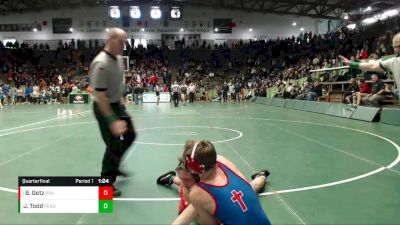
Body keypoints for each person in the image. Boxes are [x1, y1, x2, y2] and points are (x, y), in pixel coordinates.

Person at [89, 28, 136, 197]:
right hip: (104, 108)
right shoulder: (100, 63)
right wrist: (112, 119)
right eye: (121, 41)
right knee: (113, 144)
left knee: (130, 135)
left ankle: (114, 166)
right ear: (111, 40)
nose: (124, 45)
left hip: (116, 104)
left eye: (125, 41)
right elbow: (99, 94)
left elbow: (115, 84)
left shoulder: (117, 59)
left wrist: (121, 101)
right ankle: (105, 183)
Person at [179, 140, 271, 225]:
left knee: (190, 194)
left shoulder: (197, 193)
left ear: (192, 169)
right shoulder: (222, 160)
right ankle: (262, 176)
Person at [157, 159, 270, 224]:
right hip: (193, 201)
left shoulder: (205, 184)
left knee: (255, 185)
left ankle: (262, 176)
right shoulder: (195, 193)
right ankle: (171, 178)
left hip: (202, 194)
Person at [339, 32, 399, 100]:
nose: (395, 50)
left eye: (397, 46)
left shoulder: (393, 61)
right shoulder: (394, 61)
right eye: (395, 47)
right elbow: (371, 66)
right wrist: (351, 63)